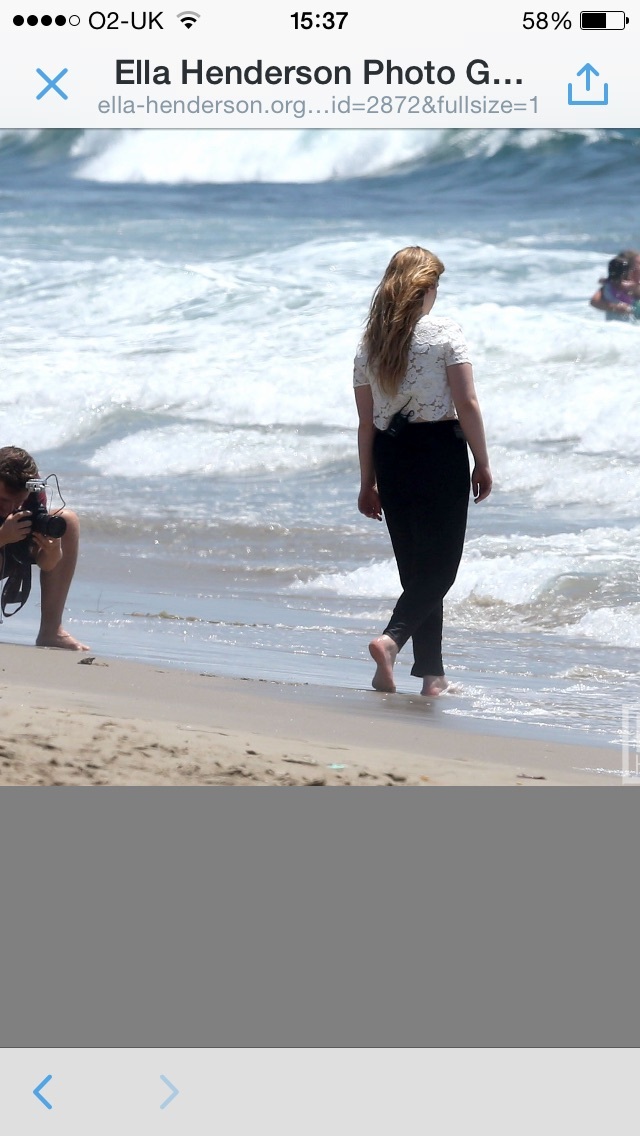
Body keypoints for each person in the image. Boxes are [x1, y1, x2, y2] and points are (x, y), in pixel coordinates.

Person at [353, 246, 492, 697]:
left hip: (391, 456)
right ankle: (391, 641)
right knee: (442, 568)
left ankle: (433, 677)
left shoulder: (369, 343)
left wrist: (366, 481)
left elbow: (366, 421)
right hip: (437, 452)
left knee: (417, 570)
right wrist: (483, 461)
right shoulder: (444, 332)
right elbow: (466, 402)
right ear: (426, 287)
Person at [0, 446, 88, 650]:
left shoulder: (33, 491)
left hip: (13, 546)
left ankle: (51, 630)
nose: (10, 508)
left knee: (67, 521)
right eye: (3, 500)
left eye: (18, 501)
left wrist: (52, 551)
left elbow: (47, 564)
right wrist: (2, 536)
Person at [590, 249, 640, 321]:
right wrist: (615, 307)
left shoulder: (634, 286)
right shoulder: (610, 286)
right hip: (617, 327)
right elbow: (594, 301)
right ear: (627, 270)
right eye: (638, 264)